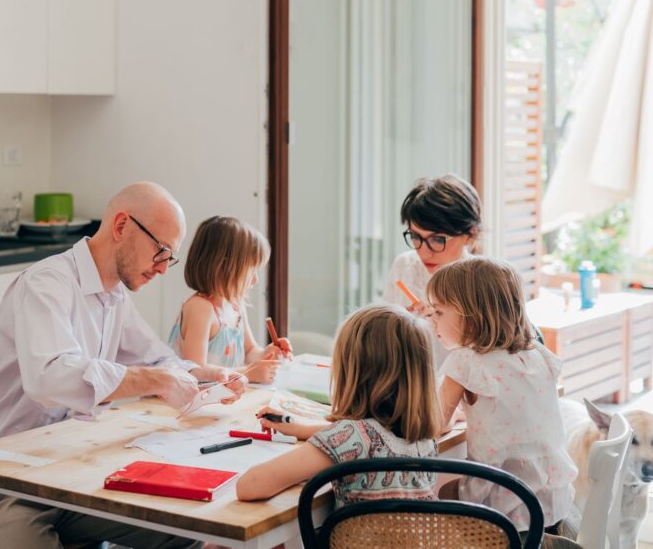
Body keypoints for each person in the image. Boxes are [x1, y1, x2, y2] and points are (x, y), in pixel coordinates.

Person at [0, 182, 247, 549]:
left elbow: (156, 358)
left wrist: (200, 374)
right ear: (121, 227)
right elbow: (48, 378)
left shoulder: (113, 294)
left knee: (188, 530)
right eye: (161, 251)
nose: (163, 269)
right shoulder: (46, 284)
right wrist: (157, 379)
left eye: (170, 257)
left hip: (66, 475)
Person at [427, 257, 576, 536]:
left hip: (503, 505)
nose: (430, 319)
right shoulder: (537, 354)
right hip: (552, 499)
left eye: (438, 312)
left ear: (471, 315)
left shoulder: (465, 361)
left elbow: (434, 425)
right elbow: (507, 408)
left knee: (441, 492)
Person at [235, 304, 442, 503]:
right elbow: (375, 432)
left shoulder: (350, 438)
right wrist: (303, 427)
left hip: (362, 540)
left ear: (353, 373)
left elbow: (249, 486)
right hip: (424, 539)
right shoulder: (424, 435)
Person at [168, 216, 291, 383]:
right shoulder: (200, 308)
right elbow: (196, 371)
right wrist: (248, 372)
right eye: (251, 270)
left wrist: (268, 353)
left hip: (221, 402)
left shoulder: (236, 306)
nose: (255, 280)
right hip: (185, 404)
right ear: (224, 266)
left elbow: (249, 351)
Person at [382, 174, 482, 367]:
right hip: (408, 382)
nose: (423, 251)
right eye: (415, 237)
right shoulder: (405, 266)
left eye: (438, 239)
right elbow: (385, 341)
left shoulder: (483, 280)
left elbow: (491, 356)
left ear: (470, 234)